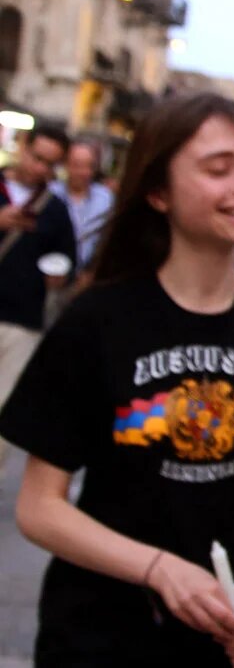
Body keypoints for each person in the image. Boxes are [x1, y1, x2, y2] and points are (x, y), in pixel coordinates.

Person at [0, 93, 234, 666]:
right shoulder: (97, 321)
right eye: (219, 170)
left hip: (218, 643)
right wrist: (159, 569)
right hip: (97, 637)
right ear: (158, 193)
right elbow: (39, 508)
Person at [0, 123, 77, 467]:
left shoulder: (54, 209)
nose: (41, 168)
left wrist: (59, 278)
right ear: (22, 146)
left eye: (50, 163)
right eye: (37, 158)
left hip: (22, 322)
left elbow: (67, 262)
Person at [59, 138, 116, 270]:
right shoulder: (52, 195)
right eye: (77, 165)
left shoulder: (105, 198)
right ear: (66, 165)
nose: (84, 172)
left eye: (89, 166)